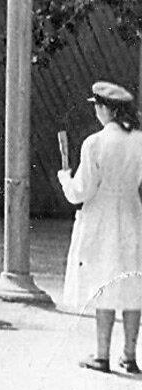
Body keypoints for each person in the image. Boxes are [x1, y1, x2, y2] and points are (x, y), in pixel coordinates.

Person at [57, 81, 142, 374]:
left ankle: (102, 355)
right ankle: (130, 357)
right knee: (133, 288)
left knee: (104, 285)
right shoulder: (140, 141)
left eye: (97, 107)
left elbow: (81, 191)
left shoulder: (94, 143)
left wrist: (66, 179)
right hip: (133, 216)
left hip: (102, 220)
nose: (96, 112)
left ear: (106, 109)